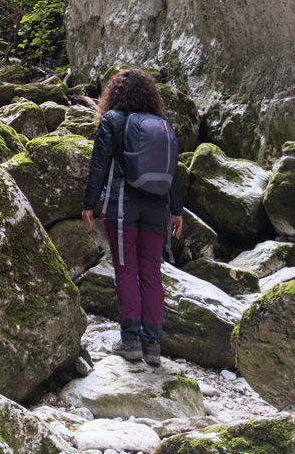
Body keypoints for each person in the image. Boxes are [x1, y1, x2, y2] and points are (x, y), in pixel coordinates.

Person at [82, 68, 184, 366]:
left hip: (123, 207)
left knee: (126, 270)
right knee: (152, 273)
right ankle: (152, 344)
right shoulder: (162, 124)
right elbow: (173, 170)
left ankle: (130, 341)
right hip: (157, 208)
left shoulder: (112, 120)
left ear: (113, 94)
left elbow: (98, 166)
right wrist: (176, 210)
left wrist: (90, 204)